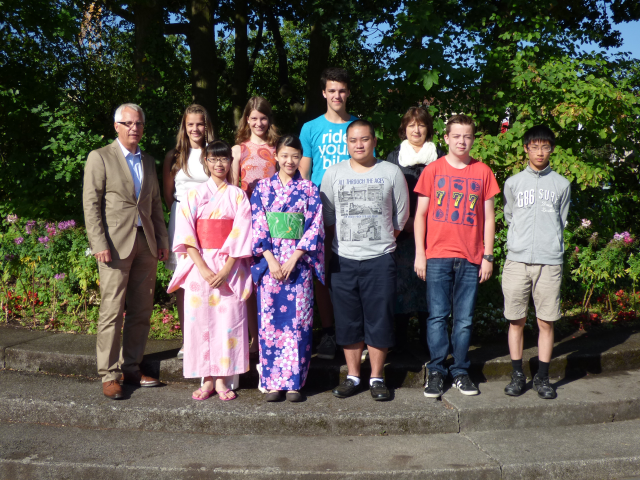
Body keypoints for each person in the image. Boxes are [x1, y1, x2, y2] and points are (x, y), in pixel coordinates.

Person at [83, 103, 169, 400]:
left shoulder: (147, 161)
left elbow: (155, 204)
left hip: (145, 242)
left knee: (142, 310)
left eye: (139, 124)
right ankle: (109, 374)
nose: (135, 128)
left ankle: (131, 366)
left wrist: (161, 239)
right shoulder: (100, 157)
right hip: (114, 246)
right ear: (116, 126)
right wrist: (98, 243)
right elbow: (91, 204)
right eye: (129, 123)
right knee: (112, 311)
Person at [321, 119, 409, 401]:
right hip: (343, 259)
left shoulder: (391, 172)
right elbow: (328, 218)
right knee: (347, 321)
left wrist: (380, 241)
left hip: (380, 259)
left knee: (379, 319)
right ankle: (352, 375)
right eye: (353, 140)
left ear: (374, 141)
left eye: (364, 139)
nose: (359, 145)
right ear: (347, 143)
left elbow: (401, 217)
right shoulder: (333, 173)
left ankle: (377, 377)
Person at [414, 114, 500, 399]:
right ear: (446, 138)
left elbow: (489, 219)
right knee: (437, 317)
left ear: (473, 139)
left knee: (464, 319)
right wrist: (420, 255)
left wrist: (488, 256)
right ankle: (437, 370)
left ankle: (460, 370)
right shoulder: (433, 171)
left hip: (471, 257)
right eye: (457, 136)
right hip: (437, 255)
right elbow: (420, 216)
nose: (462, 141)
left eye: (468, 136)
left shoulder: (483, 172)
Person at [167, 140, 253, 401]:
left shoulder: (238, 195)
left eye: (224, 159)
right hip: (199, 264)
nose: (219, 164)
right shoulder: (193, 194)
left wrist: (227, 268)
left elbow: (241, 234)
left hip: (229, 265)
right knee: (199, 322)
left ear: (230, 162)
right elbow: (186, 233)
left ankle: (223, 379)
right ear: (206, 162)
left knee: (227, 322)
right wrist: (202, 267)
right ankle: (205, 378)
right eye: (213, 159)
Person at [250, 135, 325, 402]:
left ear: (300, 157)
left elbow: (315, 227)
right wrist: (270, 259)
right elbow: (258, 223)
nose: (289, 161)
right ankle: (272, 382)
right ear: (276, 157)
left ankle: (294, 381)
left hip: (299, 264)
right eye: (284, 155)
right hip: (270, 265)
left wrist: (294, 259)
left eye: (295, 156)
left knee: (299, 323)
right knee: (270, 324)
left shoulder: (309, 189)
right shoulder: (261, 188)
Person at [502, 125, 570, 400]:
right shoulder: (514, 183)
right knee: (516, 319)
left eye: (545, 146)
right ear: (526, 149)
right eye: (535, 146)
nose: (540, 151)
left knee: (546, 321)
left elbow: (561, 220)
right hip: (517, 260)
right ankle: (517, 374)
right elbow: (510, 215)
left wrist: (551, 244)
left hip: (549, 262)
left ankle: (543, 377)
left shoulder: (562, 184)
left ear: (551, 149)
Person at [299, 67, 358, 360]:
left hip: (354, 210)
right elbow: (304, 171)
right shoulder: (310, 128)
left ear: (348, 93)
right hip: (320, 208)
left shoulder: (358, 126)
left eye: (342, 90)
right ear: (324, 93)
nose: (337, 95)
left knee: (349, 271)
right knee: (322, 272)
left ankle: (353, 333)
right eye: (331, 90)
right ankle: (330, 332)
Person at [385, 106, 444, 351]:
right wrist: (404, 221)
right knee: (400, 287)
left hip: (434, 231)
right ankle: (399, 344)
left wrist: (426, 222)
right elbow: (386, 194)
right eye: (411, 125)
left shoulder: (440, 155)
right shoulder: (393, 157)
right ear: (404, 129)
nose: (416, 129)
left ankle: (429, 344)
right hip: (401, 233)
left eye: (420, 125)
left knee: (429, 287)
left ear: (428, 128)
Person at [163, 104, 214, 360]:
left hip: (210, 222)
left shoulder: (213, 154)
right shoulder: (174, 156)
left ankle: (210, 336)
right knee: (184, 282)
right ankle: (187, 339)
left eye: (200, 124)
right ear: (184, 126)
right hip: (182, 220)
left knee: (209, 278)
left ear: (207, 127)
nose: (195, 129)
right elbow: (168, 195)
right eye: (190, 124)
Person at [231, 96, 280, 358]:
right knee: (249, 280)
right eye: (253, 118)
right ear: (246, 120)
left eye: (263, 117)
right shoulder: (238, 150)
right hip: (248, 222)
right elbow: (230, 189)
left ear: (268, 119)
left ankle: (271, 333)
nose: (258, 122)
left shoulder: (277, 149)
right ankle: (252, 338)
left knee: (271, 279)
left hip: (274, 224)